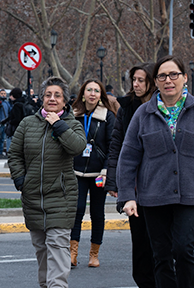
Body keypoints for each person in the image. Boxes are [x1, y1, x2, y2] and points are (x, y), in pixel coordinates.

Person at [117, 55, 194, 288]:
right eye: (162, 76)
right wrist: (127, 196)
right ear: (156, 82)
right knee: (161, 255)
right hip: (153, 196)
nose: (168, 80)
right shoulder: (143, 114)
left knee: (184, 248)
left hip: (189, 193)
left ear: (184, 78)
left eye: (174, 75)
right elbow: (128, 157)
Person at [8, 76, 86, 287]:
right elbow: (14, 154)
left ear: (65, 100)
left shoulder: (72, 124)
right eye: (48, 95)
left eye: (57, 95)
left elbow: (78, 147)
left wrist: (58, 125)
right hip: (33, 198)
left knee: (58, 247)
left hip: (60, 198)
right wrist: (21, 180)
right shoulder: (27, 123)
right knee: (42, 250)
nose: (52, 99)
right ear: (41, 98)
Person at [105, 62, 157, 287]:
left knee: (162, 241)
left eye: (140, 80)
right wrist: (114, 180)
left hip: (160, 181)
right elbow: (117, 145)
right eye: (133, 80)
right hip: (135, 184)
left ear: (151, 82)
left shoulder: (165, 107)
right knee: (140, 240)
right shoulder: (126, 107)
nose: (135, 85)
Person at [70, 79, 116, 268]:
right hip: (76, 171)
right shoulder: (73, 115)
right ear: (82, 93)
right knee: (77, 210)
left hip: (99, 173)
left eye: (96, 90)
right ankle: (72, 253)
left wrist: (106, 170)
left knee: (97, 213)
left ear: (100, 95)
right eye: (89, 90)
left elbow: (113, 145)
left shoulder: (108, 116)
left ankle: (94, 254)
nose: (92, 93)